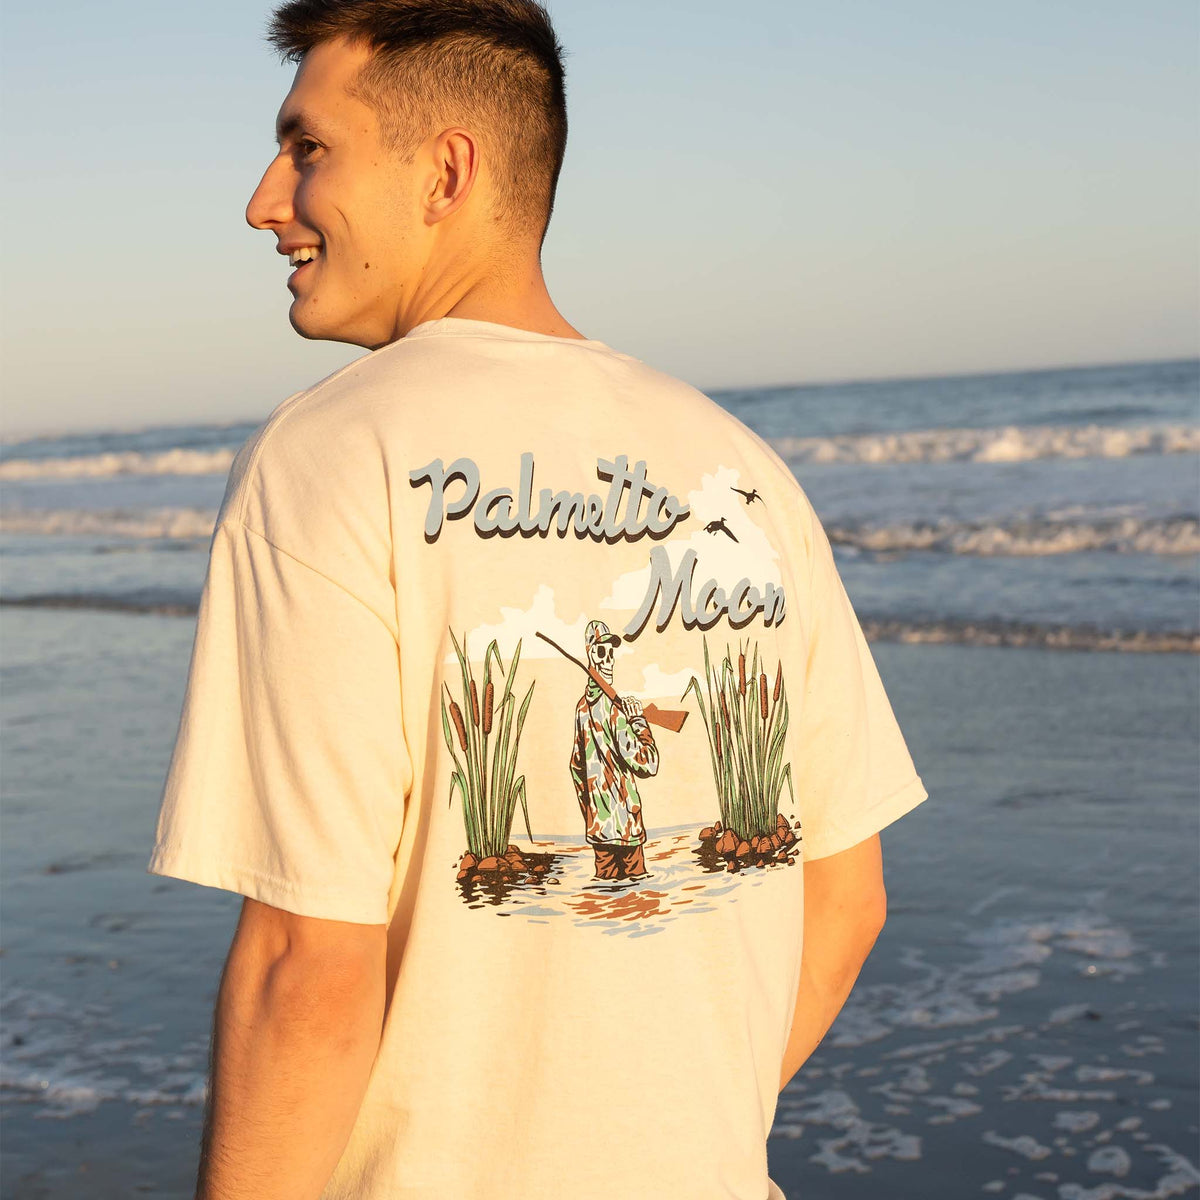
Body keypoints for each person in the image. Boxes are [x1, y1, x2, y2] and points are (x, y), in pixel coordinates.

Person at [145, 2, 930, 1198]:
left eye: (309, 149)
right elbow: (849, 898)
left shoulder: (332, 456)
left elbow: (308, 964)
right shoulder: (743, 466)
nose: (265, 200)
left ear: (446, 171)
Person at [569, 619, 658, 882]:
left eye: (611, 654)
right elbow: (648, 763)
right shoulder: (616, 710)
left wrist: (592, 813)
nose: (608, 660)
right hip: (627, 827)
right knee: (637, 900)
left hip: (599, 828)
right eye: (601, 652)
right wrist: (639, 722)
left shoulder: (581, 708)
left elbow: (576, 767)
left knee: (605, 897)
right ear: (590, 655)